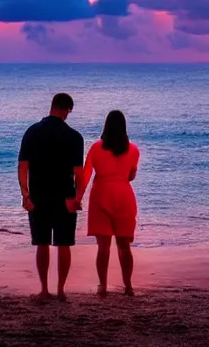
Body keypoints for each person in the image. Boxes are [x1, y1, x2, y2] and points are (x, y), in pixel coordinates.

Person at [17, 93, 85, 302]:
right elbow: (79, 173)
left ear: (52, 107)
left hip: (38, 196)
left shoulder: (32, 132)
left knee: (42, 243)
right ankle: (61, 290)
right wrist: (77, 198)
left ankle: (44, 290)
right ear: (67, 110)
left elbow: (23, 166)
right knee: (63, 244)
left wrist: (25, 193)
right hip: (65, 197)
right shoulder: (74, 137)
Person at [75, 110, 140, 297]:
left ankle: (102, 286)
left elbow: (86, 175)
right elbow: (131, 176)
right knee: (124, 246)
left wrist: (78, 198)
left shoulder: (96, 148)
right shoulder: (134, 150)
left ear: (106, 126)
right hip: (124, 196)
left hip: (101, 194)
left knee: (103, 247)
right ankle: (128, 286)